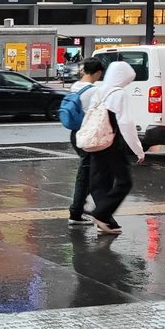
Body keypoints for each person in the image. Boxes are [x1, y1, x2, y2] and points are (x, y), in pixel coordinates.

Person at [87, 61, 145, 235]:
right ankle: (101, 215)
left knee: (98, 182)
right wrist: (138, 149)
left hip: (97, 141)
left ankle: (104, 220)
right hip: (113, 144)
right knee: (124, 182)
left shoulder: (99, 90)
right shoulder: (119, 94)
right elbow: (126, 123)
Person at [67, 57, 104, 226]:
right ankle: (76, 212)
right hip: (88, 135)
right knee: (86, 175)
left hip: (75, 134)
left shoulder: (75, 87)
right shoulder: (94, 91)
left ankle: (82, 209)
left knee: (89, 172)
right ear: (96, 72)